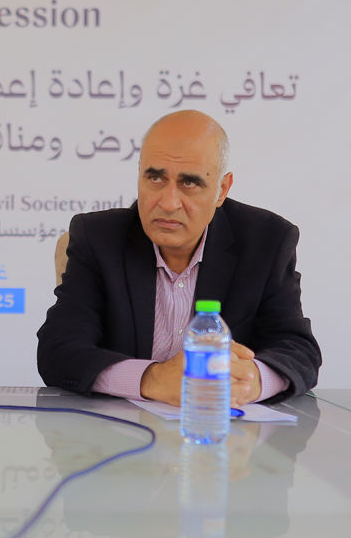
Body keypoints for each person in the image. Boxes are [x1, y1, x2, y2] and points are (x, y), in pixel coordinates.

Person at [37, 109, 321, 406]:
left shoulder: (266, 241)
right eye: (155, 178)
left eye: (190, 183)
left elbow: (298, 351)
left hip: (221, 427)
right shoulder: (98, 238)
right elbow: (58, 351)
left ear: (222, 190)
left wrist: (252, 380)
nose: (169, 202)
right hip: (119, 429)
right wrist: (153, 379)